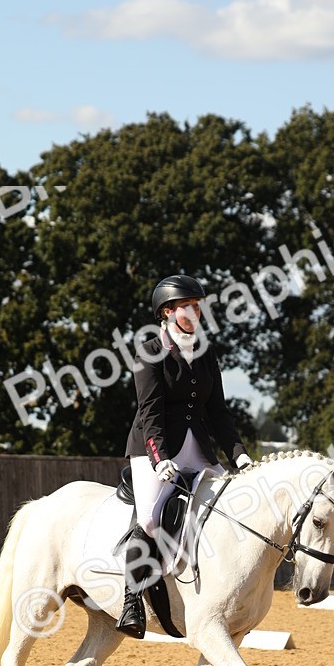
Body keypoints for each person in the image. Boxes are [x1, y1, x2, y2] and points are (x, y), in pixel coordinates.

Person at [117, 273, 253, 638]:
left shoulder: (206, 352)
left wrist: (239, 455)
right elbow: (150, 412)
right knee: (150, 519)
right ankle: (131, 601)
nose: (195, 312)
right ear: (167, 312)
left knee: (231, 506)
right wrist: (159, 457)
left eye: (198, 306)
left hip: (198, 449)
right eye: (187, 306)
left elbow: (218, 412)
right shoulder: (150, 350)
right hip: (153, 448)